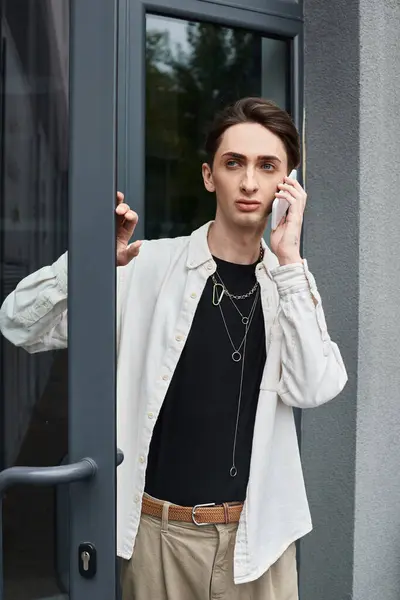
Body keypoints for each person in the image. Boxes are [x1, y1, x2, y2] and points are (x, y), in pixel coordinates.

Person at [0, 97, 347, 600]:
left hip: (261, 545)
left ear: (287, 184)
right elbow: (18, 324)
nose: (249, 182)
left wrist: (290, 258)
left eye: (267, 166)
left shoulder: (289, 285)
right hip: (160, 542)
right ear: (210, 176)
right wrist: (87, 263)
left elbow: (316, 386)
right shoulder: (147, 269)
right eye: (234, 163)